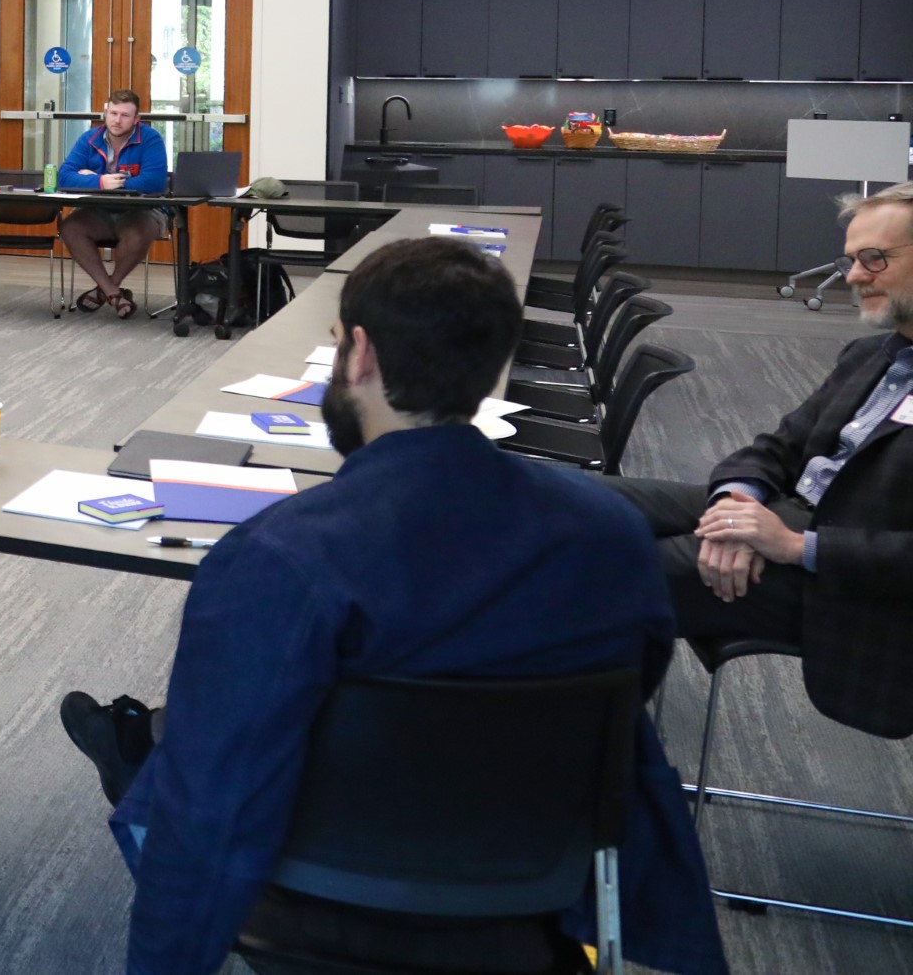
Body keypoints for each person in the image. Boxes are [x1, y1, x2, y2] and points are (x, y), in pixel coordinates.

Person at [58, 238, 724, 975]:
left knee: (177, 763)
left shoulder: (276, 557)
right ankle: (130, 740)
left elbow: (210, 805)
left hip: (317, 894)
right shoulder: (612, 539)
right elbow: (632, 690)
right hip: (532, 893)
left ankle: (129, 743)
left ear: (362, 354)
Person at [605, 182, 913, 740]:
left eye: (875, 259)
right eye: (851, 260)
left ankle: (564, 763)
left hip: (851, 587)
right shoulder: (875, 354)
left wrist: (794, 546)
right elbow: (778, 446)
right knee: (576, 502)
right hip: (784, 512)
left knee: (598, 571)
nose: (852, 277)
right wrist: (736, 507)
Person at [55, 89, 169, 319]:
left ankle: (106, 290)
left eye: (125, 115)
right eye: (113, 113)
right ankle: (113, 293)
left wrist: (108, 182)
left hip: (143, 211)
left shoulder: (150, 138)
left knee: (136, 233)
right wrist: (99, 181)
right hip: (99, 211)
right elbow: (64, 177)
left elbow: (154, 181)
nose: (117, 120)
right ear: (105, 113)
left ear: (136, 119)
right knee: (70, 227)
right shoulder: (89, 138)